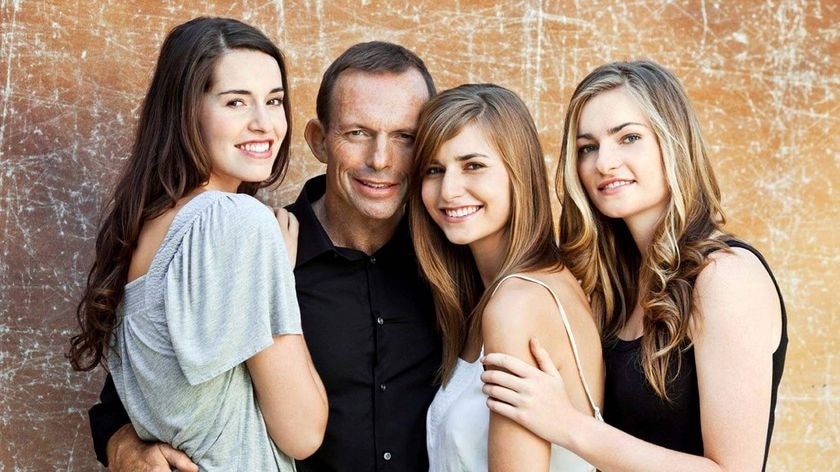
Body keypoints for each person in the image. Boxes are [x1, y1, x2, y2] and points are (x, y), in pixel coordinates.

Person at [87, 41, 442, 472]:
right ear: (319, 140)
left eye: (405, 137)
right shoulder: (246, 245)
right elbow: (135, 386)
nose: (381, 160)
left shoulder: (452, 259)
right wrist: (122, 445)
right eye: (357, 133)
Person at [480, 61, 787, 472]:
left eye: (628, 138)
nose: (604, 163)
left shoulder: (724, 277)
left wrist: (569, 426)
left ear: (672, 142)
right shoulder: (612, 283)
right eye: (588, 147)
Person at [68, 17, 328, 471]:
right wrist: (276, 281)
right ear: (187, 110)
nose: (264, 124)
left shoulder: (144, 227)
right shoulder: (238, 221)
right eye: (235, 102)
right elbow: (303, 432)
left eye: (273, 101)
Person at [409, 84, 604, 471]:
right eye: (434, 170)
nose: (448, 190)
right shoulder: (541, 283)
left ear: (520, 172)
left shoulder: (516, 305)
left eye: (473, 165)